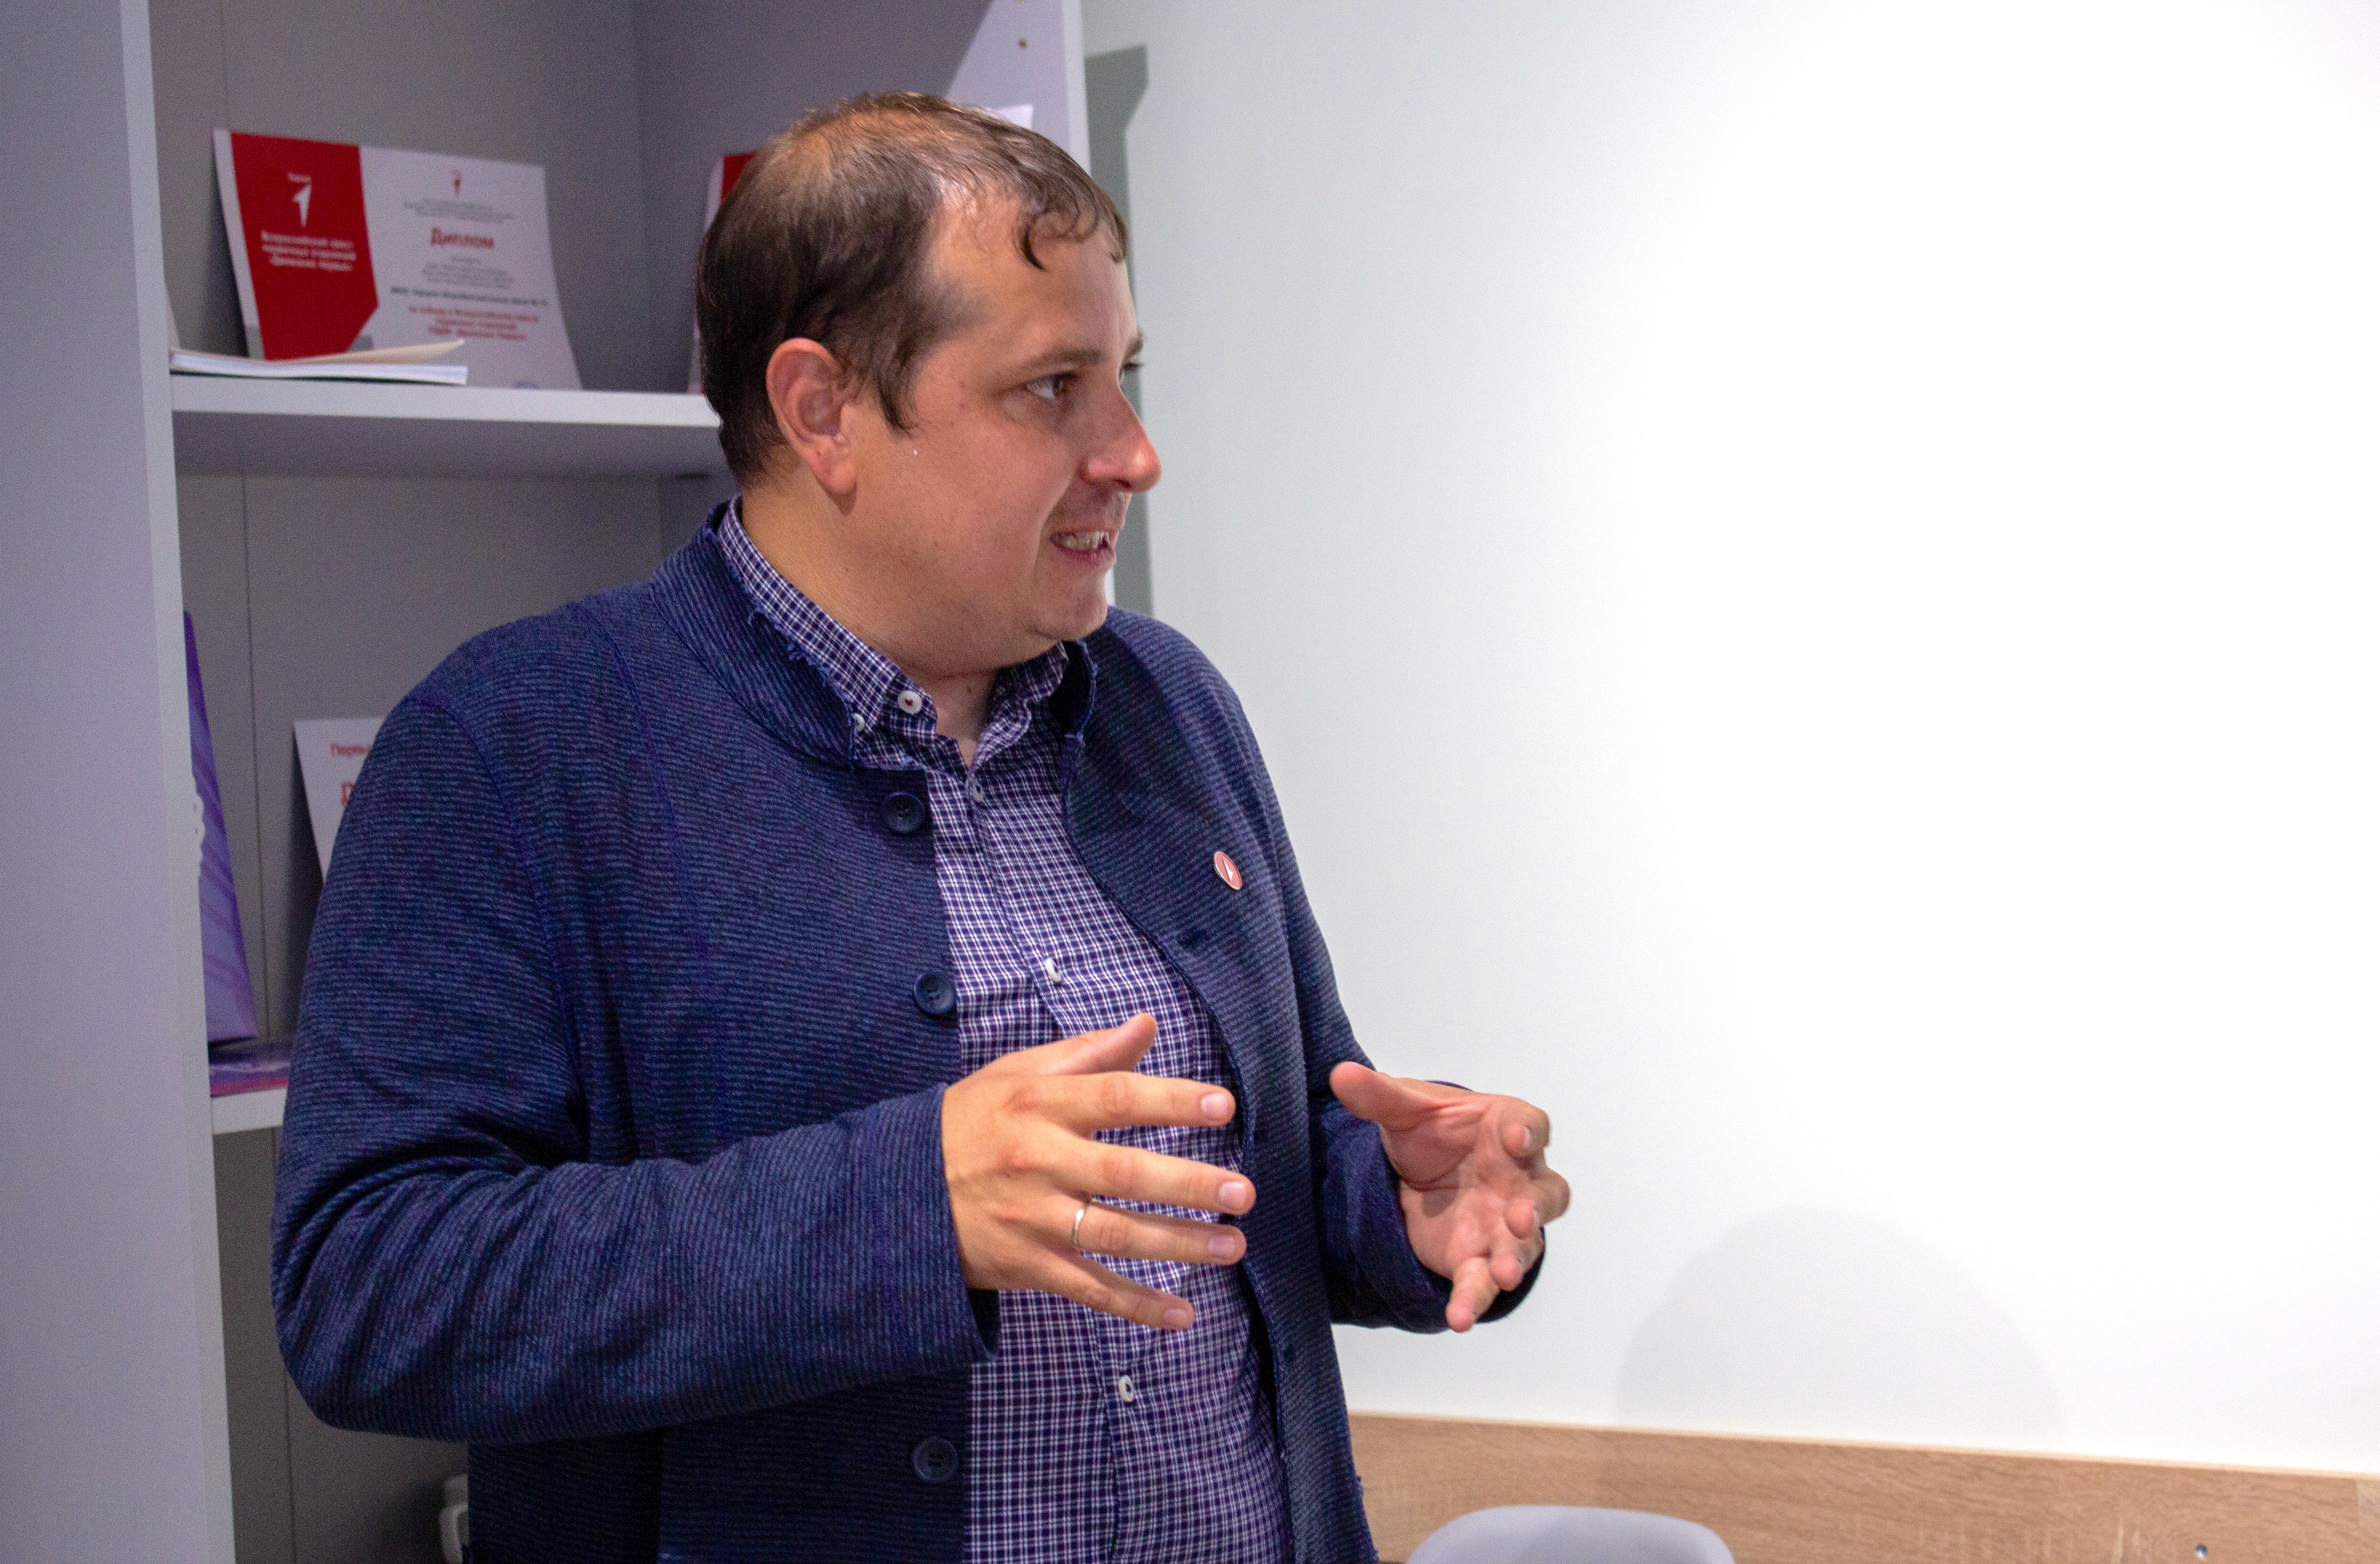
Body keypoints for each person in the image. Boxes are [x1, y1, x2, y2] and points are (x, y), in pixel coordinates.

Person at [272, 93, 1569, 1564]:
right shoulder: (517, 744)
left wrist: (1396, 1202)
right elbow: (371, 1289)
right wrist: (908, 1209)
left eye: (1124, 375)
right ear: (823, 411)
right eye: (1052, 388)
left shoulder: (1167, 703)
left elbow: (1259, 1165)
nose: (1132, 453)